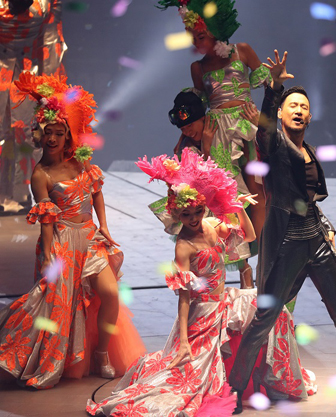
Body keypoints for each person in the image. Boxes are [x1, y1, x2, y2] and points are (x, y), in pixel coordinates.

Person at [87, 148, 316, 416]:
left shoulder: (212, 225)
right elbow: (185, 298)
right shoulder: (183, 246)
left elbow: (250, 236)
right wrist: (183, 340)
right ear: (176, 214)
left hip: (226, 301)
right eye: (187, 215)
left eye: (197, 211)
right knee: (192, 378)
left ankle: (275, 380)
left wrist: (237, 209)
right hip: (203, 312)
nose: (194, 219)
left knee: (275, 310)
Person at [226, 50, 336, 415]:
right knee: (264, 318)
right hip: (285, 245)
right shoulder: (275, 145)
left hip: (317, 241)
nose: (298, 110)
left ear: (309, 116)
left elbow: (308, 200)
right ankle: (235, 389)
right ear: (281, 113)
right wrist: (274, 88)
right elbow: (264, 131)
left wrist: (327, 228)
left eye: (303, 107)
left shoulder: (308, 150)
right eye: (292, 105)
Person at [0, 73, 145, 389]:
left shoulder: (81, 162)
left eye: (59, 133)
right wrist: (48, 253)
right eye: (48, 133)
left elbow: (96, 191)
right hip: (62, 241)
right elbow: (47, 218)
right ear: (40, 135)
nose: (52, 139)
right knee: (58, 306)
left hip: (90, 238)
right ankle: (51, 359)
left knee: (110, 293)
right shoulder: (40, 174)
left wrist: (103, 225)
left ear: (68, 136)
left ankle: (101, 353)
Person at [158, 0, 272, 288]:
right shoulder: (197, 67)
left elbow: (267, 85)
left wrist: (277, 82)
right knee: (229, 196)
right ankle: (244, 265)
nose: (196, 42)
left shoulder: (242, 50)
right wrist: (186, 136)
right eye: (192, 36)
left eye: (200, 35)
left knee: (259, 192)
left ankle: (264, 256)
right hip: (219, 131)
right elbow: (197, 107)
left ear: (216, 28)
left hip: (248, 124)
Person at [0, 0, 66, 214]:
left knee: (21, 134)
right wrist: (51, 87)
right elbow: (51, 42)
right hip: (30, 70)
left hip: (19, 70)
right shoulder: (45, 5)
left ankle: (15, 195)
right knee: (24, 135)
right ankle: (20, 195)